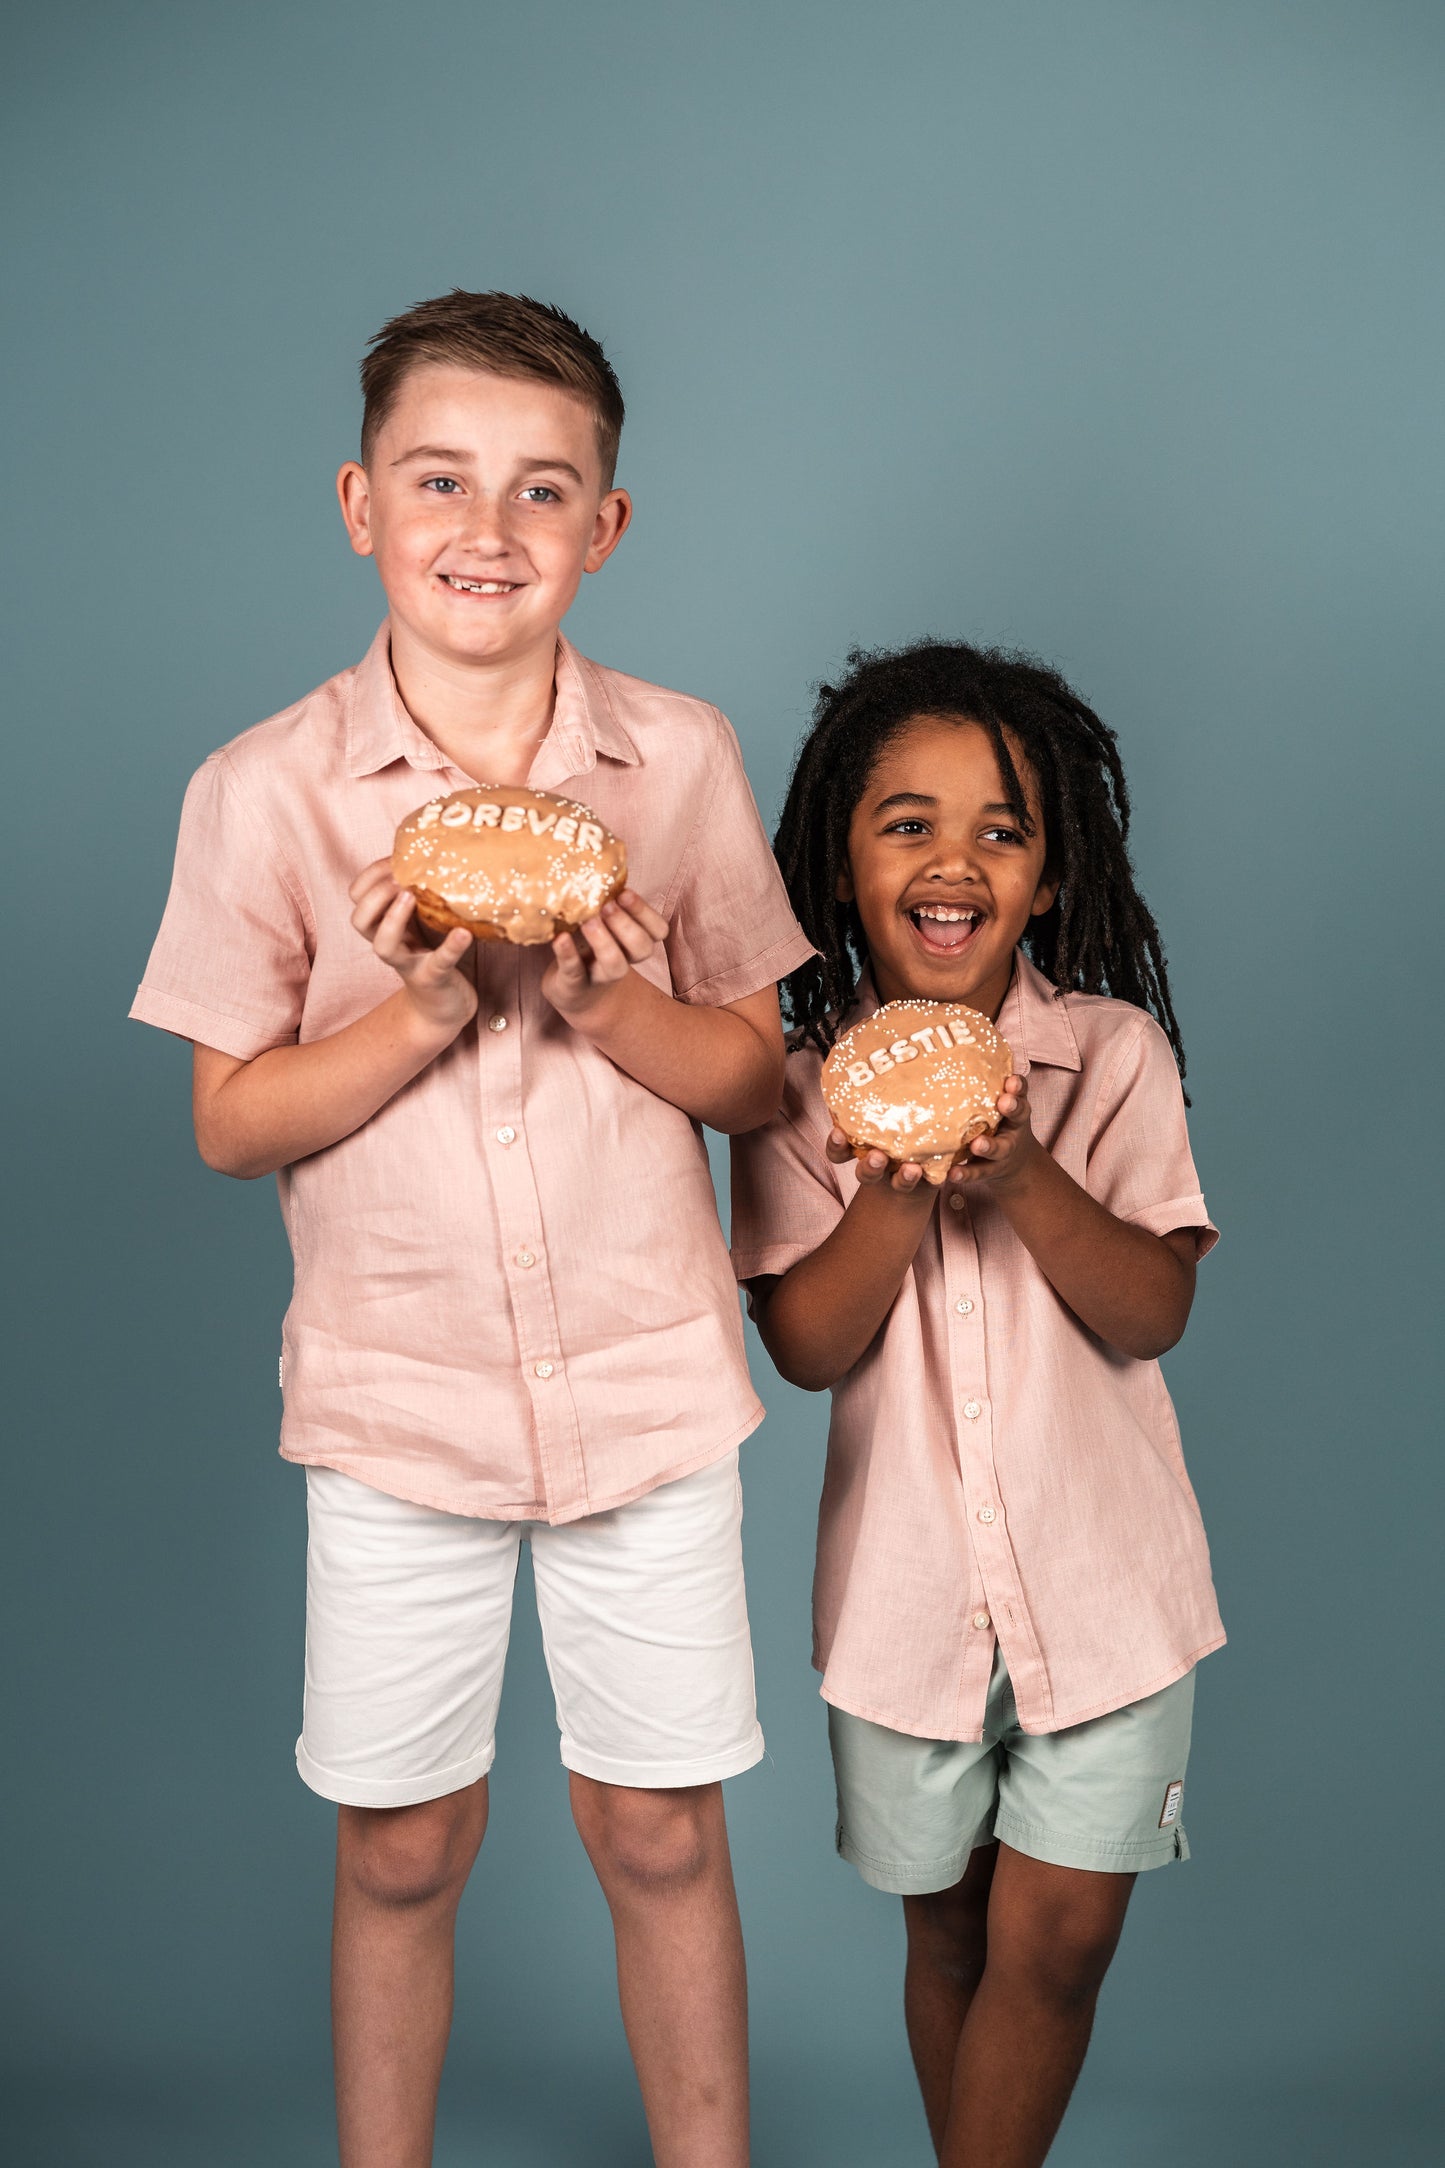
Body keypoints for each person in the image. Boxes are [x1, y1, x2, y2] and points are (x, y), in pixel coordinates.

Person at [130, 288, 812, 2168]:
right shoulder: (259, 793)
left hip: (647, 1390)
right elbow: (224, 1122)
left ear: (604, 526)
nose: (485, 533)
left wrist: (611, 1009)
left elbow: (757, 1080)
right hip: (394, 1405)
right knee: (406, 1839)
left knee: (660, 1827)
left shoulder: (676, 763)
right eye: (441, 482)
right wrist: (419, 1012)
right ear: (361, 503)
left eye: (540, 491)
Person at [730, 640, 1225, 2168]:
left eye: (999, 830)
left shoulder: (1111, 1057)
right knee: (948, 1937)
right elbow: (804, 1345)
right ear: (838, 864)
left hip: (1111, 1596)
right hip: (907, 1607)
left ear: (1047, 879)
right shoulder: (790, 1089)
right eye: (907, 824)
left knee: (1057, 1942)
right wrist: (889, 1197)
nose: (954, 862)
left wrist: (1013, 1166)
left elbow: (1155, 1309)